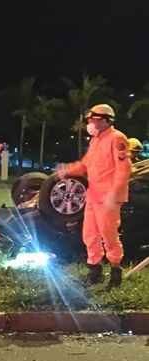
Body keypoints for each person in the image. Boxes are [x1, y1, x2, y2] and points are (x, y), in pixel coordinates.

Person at [57, 104, 132, 288]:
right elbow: (86, 165)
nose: (90, 123)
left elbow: (124, 169)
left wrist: (113, 194)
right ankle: (94, 272)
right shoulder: (96, 140)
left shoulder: (117, 138)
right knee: (90, 234)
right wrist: (67, 170)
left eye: (94, 120)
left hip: (109, 198)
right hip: (93, 194)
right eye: (90, 120)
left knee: (109, 235)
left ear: (106, 120)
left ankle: (115, 273)